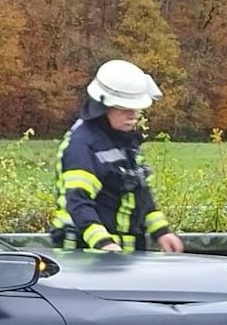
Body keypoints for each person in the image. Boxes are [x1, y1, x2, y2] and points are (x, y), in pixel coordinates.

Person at [49, 60, 185, 254]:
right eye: (124, 109)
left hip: (121, 257)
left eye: (136, 109)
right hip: (85, 256)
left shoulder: (124, 141)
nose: (133, 115)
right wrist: (104, 244)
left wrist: (162, 232)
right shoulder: (82, 145)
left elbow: (140, 194)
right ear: (103, 107)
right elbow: (78, 202)